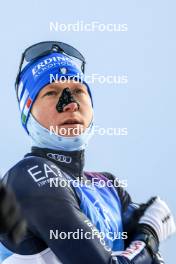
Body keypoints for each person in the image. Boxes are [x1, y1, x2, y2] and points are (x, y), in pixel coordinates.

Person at [0, 41, 175, 264]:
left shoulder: (107, 187)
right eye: (51, 93)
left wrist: (146, 233)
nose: (70, 104)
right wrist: (149, 235)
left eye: (78, 91)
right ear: (28, 114)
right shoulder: (29, 176)